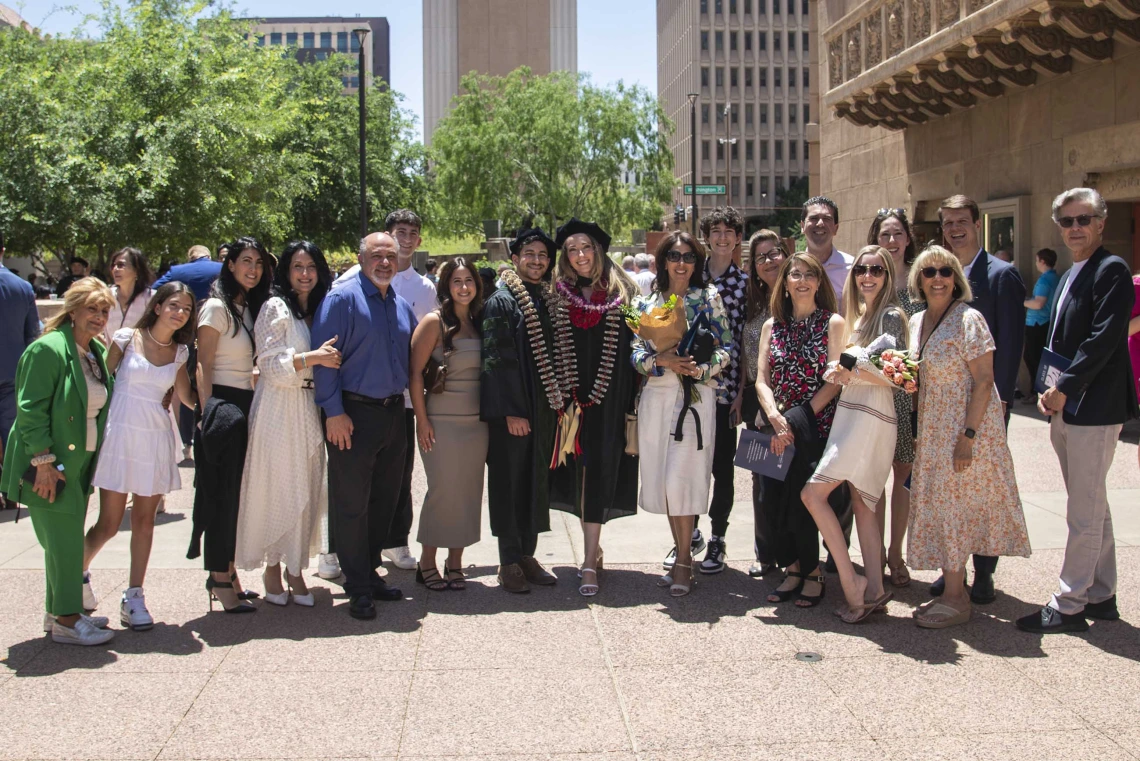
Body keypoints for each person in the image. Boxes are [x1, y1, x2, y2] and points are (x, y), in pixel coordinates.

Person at [1018, 189, 1139, 633]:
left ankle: (1069, 605)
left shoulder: (1112, 270)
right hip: (1064, 405)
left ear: (1101, 222)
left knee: (1083, 512)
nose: (1075, 228)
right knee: (1092, 504)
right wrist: (1051, 392)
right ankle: (1101, 594)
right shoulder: (1070, 273)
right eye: (1067, 221)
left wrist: (1064, 390)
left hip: (1093, 406)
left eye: (1083, 219)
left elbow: (1105, 339)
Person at [906, 246, 1030, 628]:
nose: (938, 279)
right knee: (942, 508)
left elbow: (985, 380)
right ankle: (950, 591)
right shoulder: (917, 321)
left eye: (946, 271)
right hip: (932, 428)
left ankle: (958, 598)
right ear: (919, 280)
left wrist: (969, 436)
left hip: (962, 427)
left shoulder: (969, 319)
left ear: (956, 278)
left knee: (956, 509)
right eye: (929, 272)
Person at [1, 278, 116, 645]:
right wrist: (44, 463)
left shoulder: (91, 350)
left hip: (79, 461)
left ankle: (62, 611)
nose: (99, 317)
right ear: (73, 309)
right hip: (50, 464)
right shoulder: (48, 349)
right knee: (65, 541)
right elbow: (30, 410)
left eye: (104, 310)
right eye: (92, 309)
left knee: (62, 541)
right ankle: (67, 620)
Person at [802, 246, 909, 623]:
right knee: (864, 504)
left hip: (871, 417)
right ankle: (876, 590)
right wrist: (845, 371)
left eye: (877, 269)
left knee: (812, 494)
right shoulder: (860, 316)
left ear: (888, 274)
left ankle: (853, 584)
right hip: (853, 414)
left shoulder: (892, 315)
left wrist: (847, 370)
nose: (868, 275)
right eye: (862, 268)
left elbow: (899, 375)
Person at [312, 232, 414, 620]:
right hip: (351, 415)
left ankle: (369, 572)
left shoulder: (400, 305)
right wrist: (333, 412)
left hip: (393, 414)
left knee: (383, 501)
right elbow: (325, 361)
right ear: (361, 258)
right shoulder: (341, 299)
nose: (385, 262)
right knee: (351, 503)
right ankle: (356, 585)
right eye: (377, 256)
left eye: (391, 255)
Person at [85, 283, 196, 630]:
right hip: (120, 435)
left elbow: (187, 398)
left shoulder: (181, 353)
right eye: (174, 305)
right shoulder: (124, 337)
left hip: (155, 438)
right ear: (159, 305)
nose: (180, 313)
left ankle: (134, 595)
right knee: (109, 523)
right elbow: (99, 381)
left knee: (145, 521)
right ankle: (74, 577)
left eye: (187, 310)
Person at [235, 241, 340, 608]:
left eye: (312, 266)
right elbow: (268, 364)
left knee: (306, 489)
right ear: (286, 271)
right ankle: (272, 567)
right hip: (278, 409)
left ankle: (297, 569)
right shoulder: (275, 306)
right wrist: (313, 358)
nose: (306, 274)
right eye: (298, 267)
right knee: (278, 487)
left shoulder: (321, 306)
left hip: (309, 407)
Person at [935, 194, 1026, 604]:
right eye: (948, 223)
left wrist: (998, 406)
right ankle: (952, 568)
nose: (955, 229)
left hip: (986, 403)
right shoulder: (939, 275)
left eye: (962, 221)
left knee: (983, 488)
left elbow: (1010, 345)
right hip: (945, 405)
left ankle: (984, 572)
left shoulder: (1003, 276)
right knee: (952, 488)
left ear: (977, 223)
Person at [334, 210, 435, 573]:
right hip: (355, 406)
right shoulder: (346, 289)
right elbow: (331, 352)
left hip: (400, 403)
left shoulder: (415, 293)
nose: (386, 260)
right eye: (398, 234)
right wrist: (333, 409)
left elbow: (423, 347)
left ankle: (386, 549)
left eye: (411, 234)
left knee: (392, 483)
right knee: (351, 489)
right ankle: (344, 561)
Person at [632, 232, 732, 597]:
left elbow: (726, 348)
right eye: (673, 255)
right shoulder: (644, 301)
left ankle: (684, 560)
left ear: (697, 261)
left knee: (682, 479)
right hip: (657, 398)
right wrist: (658, 360)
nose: (681, 262)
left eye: (689, 256)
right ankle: (682, 553)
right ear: (661, 260)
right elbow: (634, 351)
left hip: (695, 396)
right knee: (664, 480)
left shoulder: (709, 298)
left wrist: (702, 371)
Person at [548, 218, 640, 597]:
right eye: (572, 249)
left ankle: (589, 557)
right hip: (568, 404)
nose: (580, 255)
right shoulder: (557, 293)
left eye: (586, 247)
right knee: (578, 475)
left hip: (611, 398)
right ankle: (591, 552)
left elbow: (640, 345)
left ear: (598, 251)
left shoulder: (625, 292)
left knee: (601, 469)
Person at [189, 237, 273, 614]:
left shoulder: (249, 307)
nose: (252, 268)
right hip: (221, 406)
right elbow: (202, 363)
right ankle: (219, 577)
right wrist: (206, 414)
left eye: (257, 262)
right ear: (230, 265)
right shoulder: (216, 308)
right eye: (245, 261)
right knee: (221, 497)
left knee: (237, 497)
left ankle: (229, 572)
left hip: (246, 404)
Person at [661, 206, 746, 575]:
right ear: (706, 237)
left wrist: (741, 391)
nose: (723, 237)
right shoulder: (687, 279)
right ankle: (689, 534)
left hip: (724, 389)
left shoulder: (744, 284)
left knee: (721, 469)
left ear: (738, 238)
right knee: (688, 466)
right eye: (716, 231)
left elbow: (740, 341)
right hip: (682, 392)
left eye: (730, 231)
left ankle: (718, 537)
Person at [755, 253, 844, 607]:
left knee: (804, 502)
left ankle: (813, 572)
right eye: (795, 274)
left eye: (810, 274)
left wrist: (796, 417)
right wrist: (775, 415)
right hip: (774, 428)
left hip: (815, 427)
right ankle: (791, 568)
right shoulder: (771, 325)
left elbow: (836, 382)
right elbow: (761, 379)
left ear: (819, 283)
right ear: (786, 283)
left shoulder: (833, 322)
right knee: (770, 500)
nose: (802, 280)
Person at [480, 228, 560, 594]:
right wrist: (511, 412)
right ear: (514, 259)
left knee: (533, 482)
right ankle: (508, 560)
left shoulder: (545, 297)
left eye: (543, 255)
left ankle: (527, 554)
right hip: (513, 412)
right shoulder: (502, 301)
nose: (537, 261)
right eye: (529, 254)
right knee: (509, 483)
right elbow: (497, 362)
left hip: (541, 411)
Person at [408, 258, 487, 591]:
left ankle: (455, 562)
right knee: (443, 491)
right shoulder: (433, 321)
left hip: (477, 423)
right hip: (440, 421)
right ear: (446, 286)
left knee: (469, 492)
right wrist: (421, 420)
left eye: (469, 280)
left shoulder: (481, 322)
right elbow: (413, 374)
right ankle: (427, 560)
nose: (464, 287)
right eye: (457, 281)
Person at [869, 208, 920, 587]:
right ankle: (872, 553)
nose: (891, 241)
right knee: (873, 478)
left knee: (903, 474)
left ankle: (895, 554)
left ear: (907, 238)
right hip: (875, 394)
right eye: (884, 234)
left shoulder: (923, 282)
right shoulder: (869, 279)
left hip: (910, 396)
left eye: (897, 234)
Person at [740, 229, 784, 577]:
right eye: (761, 257)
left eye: (774, 253)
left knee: (797, 484)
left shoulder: (803, 293)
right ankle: (765, 553)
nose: (769, 261)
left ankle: (800, 555)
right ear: (753, 266)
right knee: (763, 486)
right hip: (758, 407)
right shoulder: (750, 302)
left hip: (800, 407)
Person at [1, 233, 40, 505]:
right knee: (12, 433)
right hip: (13, 372)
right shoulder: (22, 287)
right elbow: (32, 336)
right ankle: (12, 491)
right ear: (3, 249)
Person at [1022, 248, 1060, 395]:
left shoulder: (1045, 279)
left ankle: (1036, 391)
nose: (1036, 263)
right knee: (1036, 358)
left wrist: (1021, 301)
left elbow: (1038, 303)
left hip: (1038, 323)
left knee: (1033, 359)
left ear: (1043, 261)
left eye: (1037, 260)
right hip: (1046, 322)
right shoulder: (1055, 277)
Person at [801, 196, 853, 300]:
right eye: (814, 218)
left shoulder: (852, 268)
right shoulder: (792, 269)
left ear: (836, 228)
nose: (820, 223)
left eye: (827, 219)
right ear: (802, 226)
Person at [102, 247, 155, 347]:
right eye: (113, 265)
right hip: (111, 360)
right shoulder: (106, 296)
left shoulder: (151, 298)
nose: (115, 269)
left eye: (120, 265)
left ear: (136, 270)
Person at [153, 244, 224, 302]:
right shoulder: (223, 268)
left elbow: (153, 290)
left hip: (184, 315)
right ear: (209, 257)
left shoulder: (175, 271)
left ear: (190, 258)